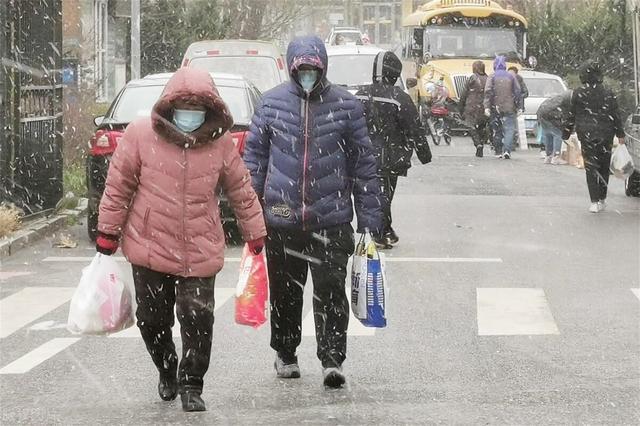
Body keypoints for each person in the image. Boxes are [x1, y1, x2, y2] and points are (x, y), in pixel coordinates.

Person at [96, 67, 267, 412]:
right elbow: (118, 187)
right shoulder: (140, 134)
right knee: (152, 318)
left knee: (198, 317)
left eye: (198, 109)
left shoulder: (219, 143)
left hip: (200, 246)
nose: (191, 116)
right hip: (149, 244)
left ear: (210, 110)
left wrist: (255, 232)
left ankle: (192, 383)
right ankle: (165, 366)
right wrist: (107, 235)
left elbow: (241, 188)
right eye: (185, 108)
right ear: (170, 107)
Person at [243, 35, 382, 389]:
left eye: (313, 69)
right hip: (281, 219)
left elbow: (364, 165)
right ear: (291, 68)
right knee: (286, 294)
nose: (307, 74)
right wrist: (251, 212)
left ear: (323, 68)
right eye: (301, 69)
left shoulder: (346, 106)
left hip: (331, 219)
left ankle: (332, 358)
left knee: (331, 292)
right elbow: (254, 160)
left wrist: (369, 220)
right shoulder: (271, 104)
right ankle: (286, 352)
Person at [356, 51, 432, 249]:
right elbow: (414, 128)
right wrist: (424, 154)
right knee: (385, 194)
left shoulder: (361, 94)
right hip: (391, 156)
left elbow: (349, 124)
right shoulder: (399, 98)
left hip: (364, 155)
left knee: (372, 193)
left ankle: (382, 228)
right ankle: (379, 231)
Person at [563, 61, 626, 213]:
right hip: (606, 133)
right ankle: (602, 198)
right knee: (604, 167)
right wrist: (620, 133)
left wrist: (566, 131)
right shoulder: (608, 92)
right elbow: (615, 114)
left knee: (590, 167)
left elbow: (572, 114)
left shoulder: (578, 93)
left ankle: (594, 201)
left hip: (586, 134)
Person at [484, 56, 522, 159]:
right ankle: (507, 150)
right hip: (510, 107)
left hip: (495, 107)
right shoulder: (511, 76)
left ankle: (498, 151)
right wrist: (519, 107)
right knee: (509, 129)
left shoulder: (492, 76)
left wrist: (486, 106)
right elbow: (517, 92)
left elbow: (488, 92)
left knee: (497, 129)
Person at [459, 61, 489, 157]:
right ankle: (481, 142)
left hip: (471, 105)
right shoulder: (488, 79)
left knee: (470, 125)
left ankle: (478, 143)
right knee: (482, 126)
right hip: (483, 105)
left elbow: (464, 94)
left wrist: (461, 107)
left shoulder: (472, 78)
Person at [537, 90, 572, 165]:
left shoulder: (562, 96)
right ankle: (556, 157)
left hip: (541, 112)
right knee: (558, 134)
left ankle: (548, 156)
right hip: (551, 114)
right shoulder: (570, 99)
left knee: (548, 134)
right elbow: (568, 113)